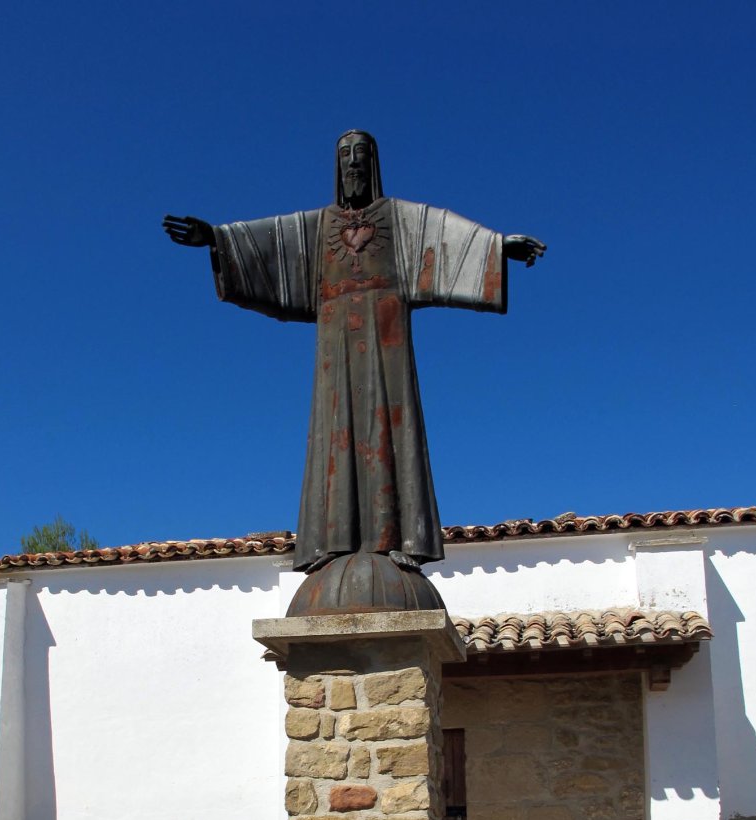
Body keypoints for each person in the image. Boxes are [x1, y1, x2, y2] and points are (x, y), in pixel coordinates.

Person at [164, 131, 544, 575]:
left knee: (388, 428)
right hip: (334, 342)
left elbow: (446, 234)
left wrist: (498, 247)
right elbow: (271, 241)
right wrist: (216, 238)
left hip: (387, 339)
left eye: (360, 154)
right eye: (344, 155)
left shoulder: (399, 219)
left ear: (374, 163)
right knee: (334, 429)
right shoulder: (319, 225)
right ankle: (331, 540)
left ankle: (398, 538)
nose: (353, 163)